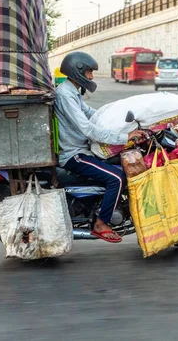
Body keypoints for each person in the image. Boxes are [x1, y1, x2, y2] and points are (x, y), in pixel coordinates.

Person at [55, 51, 145, 243]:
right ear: (77, 70)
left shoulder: (73, 92)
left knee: (119, 167)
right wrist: (123, 137)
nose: (91, 76)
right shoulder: (65, 95)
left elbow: (93, 114)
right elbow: (88, 128)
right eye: (89, 72)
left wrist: (121, 123)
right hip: (74, 154)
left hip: (83, 149)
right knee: (117, 179)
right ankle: (101, 223)